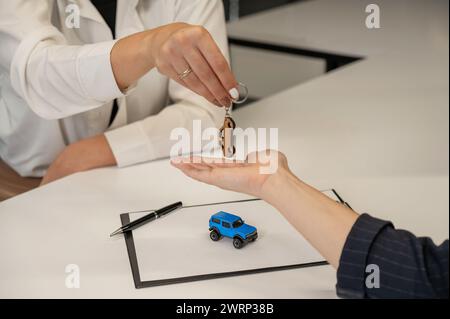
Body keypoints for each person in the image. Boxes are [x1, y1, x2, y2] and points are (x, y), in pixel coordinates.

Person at [0, 0, 237, 185]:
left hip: (137, 173)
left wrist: (99, 150)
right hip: (28, 182)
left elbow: (206, 110)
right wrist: (148, 47)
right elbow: (38, 75)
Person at [172, 151, 449, 298]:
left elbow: (419, 281)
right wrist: (273, 181)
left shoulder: (240, 231)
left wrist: (272, 181)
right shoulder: (224, 227)